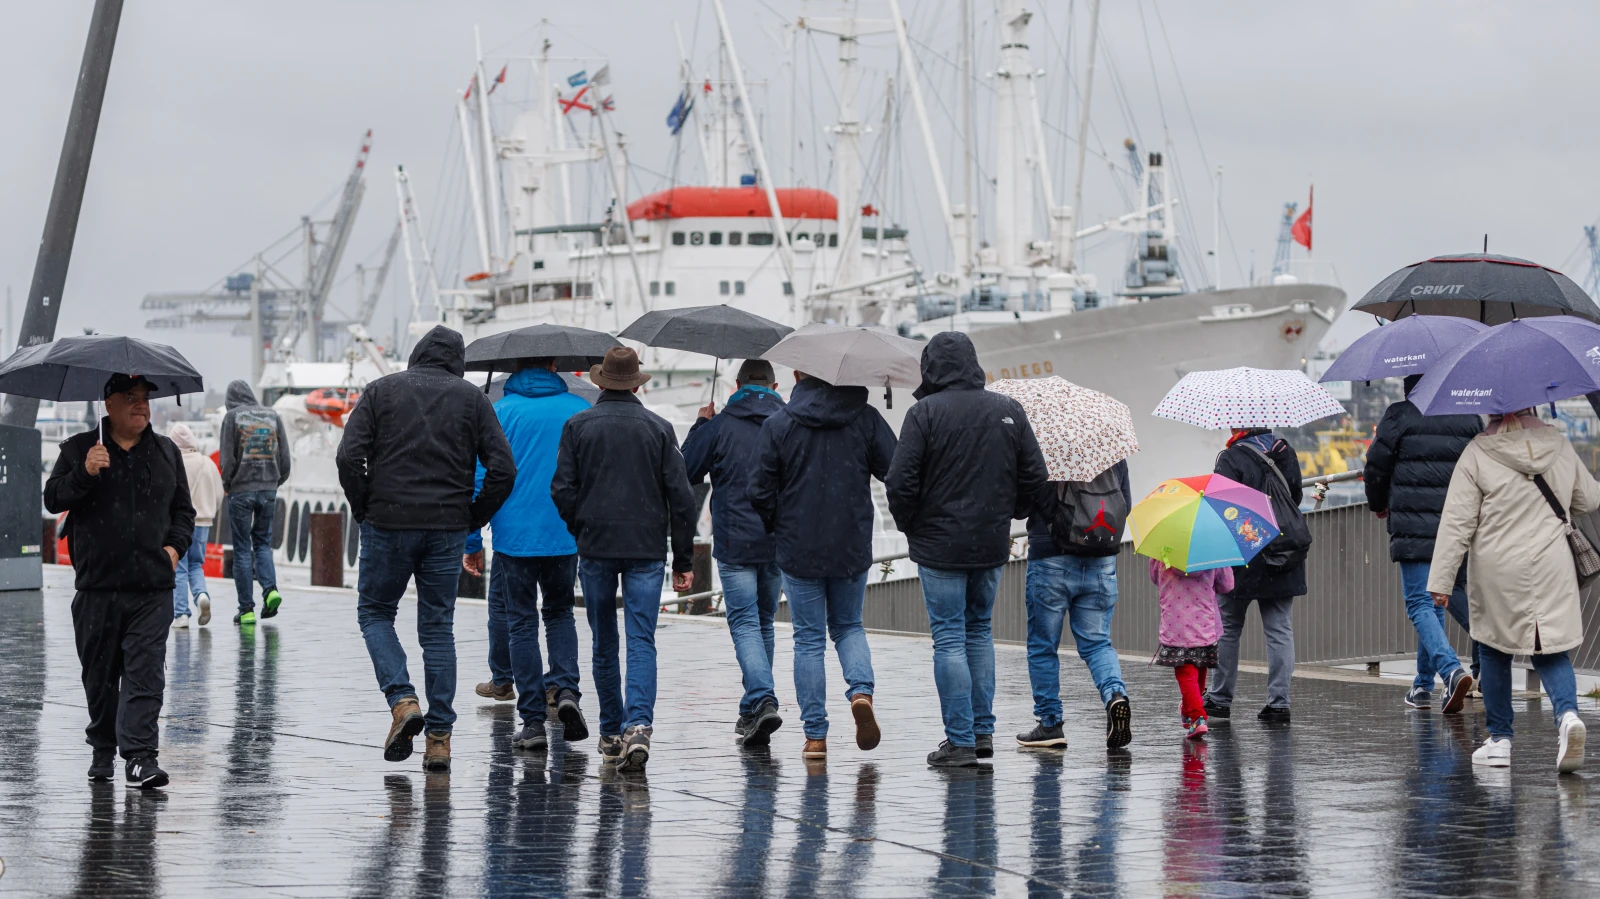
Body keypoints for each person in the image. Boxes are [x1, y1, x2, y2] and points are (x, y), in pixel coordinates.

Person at [337, 325, 516, 772]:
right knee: (437, 628)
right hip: (446, 525)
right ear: (455, 361)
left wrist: (365, 506)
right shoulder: (472, 399)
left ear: (417, 355)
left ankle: (402, 701)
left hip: (388, 521)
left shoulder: (381, 391)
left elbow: (347, 457)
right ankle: (439, 739)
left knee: (376, 613)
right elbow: (504, 469)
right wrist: (473, 515)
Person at [886, 332, 1049, 768]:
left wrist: (913, 528)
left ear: (931, 366)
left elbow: (899, 482)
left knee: (948, 638)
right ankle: (981, 734)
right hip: (989, 542)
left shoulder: (924, 413)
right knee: (979, 631)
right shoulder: (1007, 409)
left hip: (939, 546)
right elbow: (1036, 475)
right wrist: (1009, 513)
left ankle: (958, 741)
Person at [45, 374, 196, 789]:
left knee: (146, 675)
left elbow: (184, 512)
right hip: (96, 589)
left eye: (146, 399)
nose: (142, 406)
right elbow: (53, 498)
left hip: (152, 589)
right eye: (131, 398)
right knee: (100, 678)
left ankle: (142, 758)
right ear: (107, 404)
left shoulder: (166, 452)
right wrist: (85, 474)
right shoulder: (79, 448)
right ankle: (102, 748)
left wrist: (173, 551)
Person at [551, 347, 696, 772]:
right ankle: (638, 727)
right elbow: (682, 499)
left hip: (596, 547)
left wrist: (583, 526)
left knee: (604, 642)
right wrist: (683, 557)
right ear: (637, 383)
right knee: (641, 639)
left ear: (599, 382)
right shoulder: (659, 428)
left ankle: (611, 731)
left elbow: (561, 489)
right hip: (646, 547)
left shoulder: (578, 426)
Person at [1429, 408, 1596, 772]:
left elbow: (1457, 522)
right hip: (1552, 562)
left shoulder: (1477, 453)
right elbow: (1588, 500)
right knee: (1550, 649)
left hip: (1497, 566)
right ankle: (1568, 717)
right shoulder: (1559, 444)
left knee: (1493, 647)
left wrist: (1441, 581)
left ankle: (1500, 741)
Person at [751, 368, 896, 761]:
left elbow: (759, 489)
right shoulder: (865, 418)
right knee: (849, 626)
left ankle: (815, 737)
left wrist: (778, 524)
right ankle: (861, 693)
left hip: (799, 546)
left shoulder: (780, 422)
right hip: (850, 542)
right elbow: (895, 471)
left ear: (799, 373)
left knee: (809, 640)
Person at [463, 358, 592, 751]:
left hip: (512, 536)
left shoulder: (498, 411)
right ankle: (566, 689)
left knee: (521, 623)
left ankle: (533, 722)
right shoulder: (580, 410)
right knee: (559, 613)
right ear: (554, 366)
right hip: (565, 532)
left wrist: (472, 541)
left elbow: (480, 475)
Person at [683, 359, 787, 748]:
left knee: (744, 623)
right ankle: (754, 705)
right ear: (775, 384)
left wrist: (701, 425)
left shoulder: (721, 424)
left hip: (735, 541)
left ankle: (762, 698)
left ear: (737, 386)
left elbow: (687, 470)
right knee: (762, 622)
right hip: (778, 539)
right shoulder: (789, 421)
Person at [1363, 374, 1481, 712]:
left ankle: (1451, 670)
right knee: (1444, 598)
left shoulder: (1400, 414)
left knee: (1420, 603)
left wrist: (1378, 504)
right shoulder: (1468, 417)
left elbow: (1375, 467)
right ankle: (1423, 685)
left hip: (1414, 525)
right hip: (1458, 524)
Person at [1018, 458, 1134, 752]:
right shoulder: (1110, 452)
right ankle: (1114, 695)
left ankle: (1050, 723)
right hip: (1100, 556)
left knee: (1043, 645)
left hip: (1051, 558)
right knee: (1097, 643)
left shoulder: (1046, 449)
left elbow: (1023, 505)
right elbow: (1125, 504)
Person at [1204, 427, 1304, 723]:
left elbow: (1221, 509)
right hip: (1283, 550)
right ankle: (1278, 703)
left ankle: (1220, 700)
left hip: (1242, 553)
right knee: (1279, 628)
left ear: (1239, 424)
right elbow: (1294, 497)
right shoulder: (1284, 451)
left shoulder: (1231, 458)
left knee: (1230, 626)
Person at [219, 379, 291, 626]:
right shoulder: (272, 415)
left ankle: (246, 609)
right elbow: (285, 457)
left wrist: (228, 483)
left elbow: (227, 458)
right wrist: (275, 481)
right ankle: (270, 590)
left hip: (241, 490)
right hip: (269, 488)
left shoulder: (232, 417)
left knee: (241, 548)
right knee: (262, 542)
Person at [1149, 559, 1235, 739]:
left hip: (1176, 623)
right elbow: (1227, 585)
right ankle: (1190, 711)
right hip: (1204, 622)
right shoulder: (1214, 554)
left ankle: (1197, 717)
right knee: (1200, 665)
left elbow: (1154, 578)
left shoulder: (1161, 551)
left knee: (1185, 672)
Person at [169, 423, 223, 629]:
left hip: (179, 523)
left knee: (179, 568)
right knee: (195, 565)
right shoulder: (207, 462)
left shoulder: (174, 462)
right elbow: (218, 495)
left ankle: (181, 614)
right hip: (203, 523)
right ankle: (201, 595)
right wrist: (209, 513)